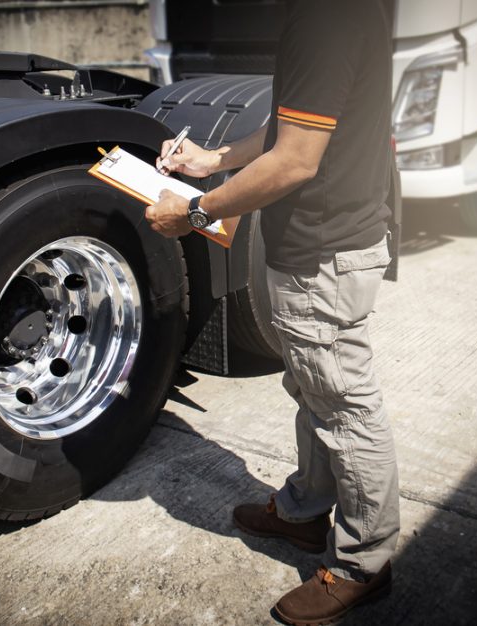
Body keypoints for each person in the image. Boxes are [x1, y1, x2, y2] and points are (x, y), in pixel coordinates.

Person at [144, 1, 400, 623]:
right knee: (316, 390)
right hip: (324, 244)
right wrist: (215, 160)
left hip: (324, 253)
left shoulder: (324, 18)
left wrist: (195, 210)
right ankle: (305, 512)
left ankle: (364, 563)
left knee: (343, 406)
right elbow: (297, 129)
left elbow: (295, 161)